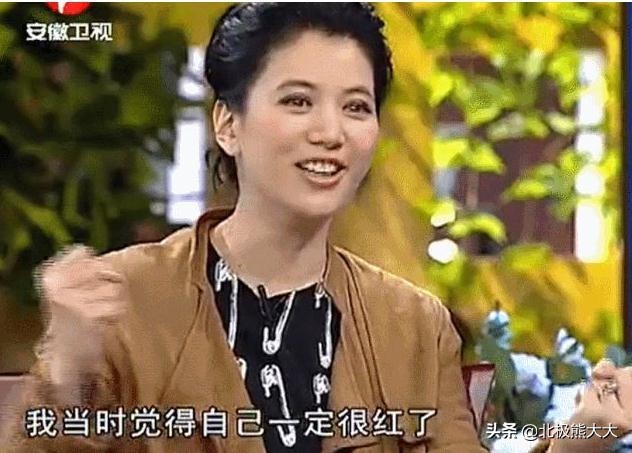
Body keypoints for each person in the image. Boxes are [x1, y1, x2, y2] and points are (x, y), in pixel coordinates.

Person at [0, 3, 628, 453]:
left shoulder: (413, 325)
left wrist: (583, 435)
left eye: (356, 106)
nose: (330, 132)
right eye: (297, 100)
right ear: (228, 124)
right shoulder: (126, 299)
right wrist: (69, 368)